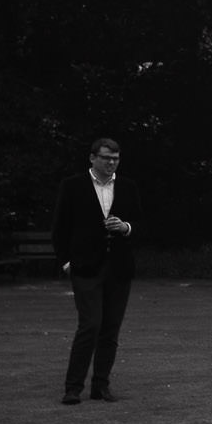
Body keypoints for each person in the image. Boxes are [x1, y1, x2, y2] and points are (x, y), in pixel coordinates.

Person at [52, 137, 137, 404]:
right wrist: (66, 261)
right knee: (90, 325)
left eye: (115, 158)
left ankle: (101, 385)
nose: (111, 163)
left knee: (111, 328)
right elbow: (60, 226)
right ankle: (73, 387)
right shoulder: (73, 186)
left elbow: (142, 223)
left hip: (118, 267)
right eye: (106, 158)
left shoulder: (127, 187)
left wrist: (125, 228)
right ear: (92, 158)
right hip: (86, 267)